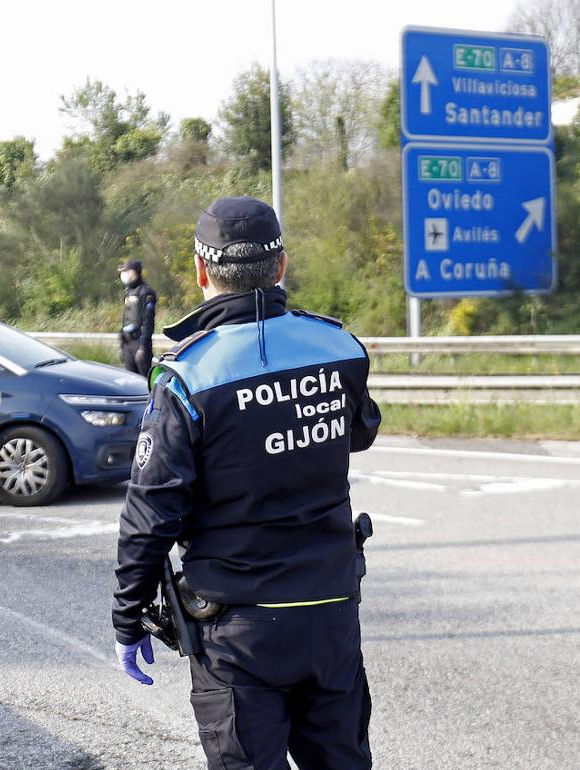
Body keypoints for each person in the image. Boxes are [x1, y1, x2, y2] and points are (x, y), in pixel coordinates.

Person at [111, 197, 381, 770]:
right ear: (280, 267)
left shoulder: (188, 375)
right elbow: (360, 432)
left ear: (202, 272)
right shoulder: (341, 348)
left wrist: (128, 617)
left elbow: (150, 514)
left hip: (236, 630)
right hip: (330, 611)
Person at [117, 260, 156, 376]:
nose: (123, 274)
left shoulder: (146, 293)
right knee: (130, 381)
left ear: (134, 272)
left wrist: (143, 347)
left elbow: (148, 322)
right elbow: (125, 318)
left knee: (143, 381)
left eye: (126, 271)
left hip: (139, 343)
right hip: (127, 343)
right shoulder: (128, 292)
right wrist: (122, 345)